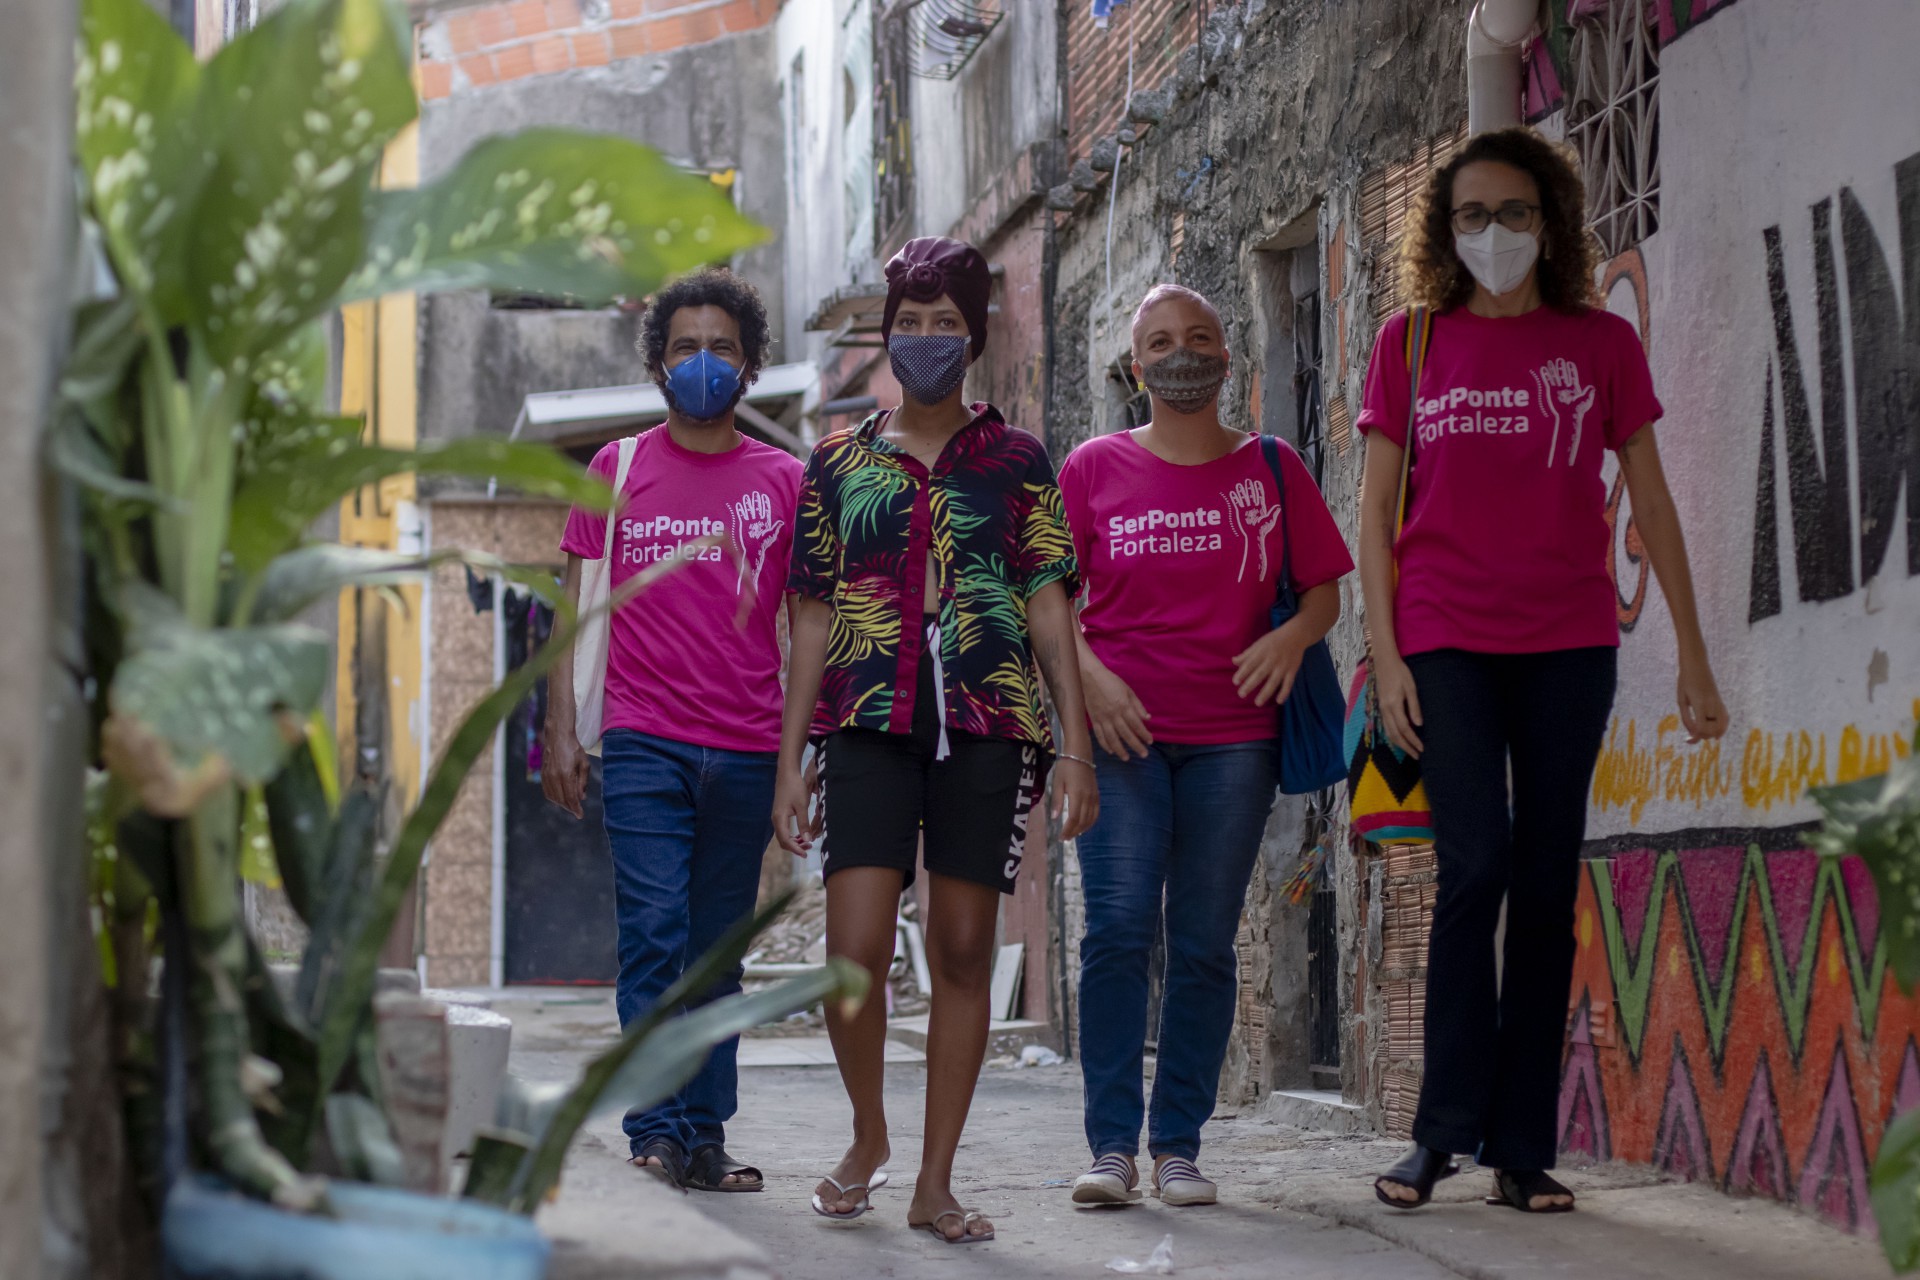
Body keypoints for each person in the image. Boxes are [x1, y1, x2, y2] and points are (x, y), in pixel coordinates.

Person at [1358, 128, 1728, 1214]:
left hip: (1569, 642)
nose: (1494, 232)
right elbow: (1375, 514)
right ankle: (1438, 1134)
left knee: (1546, 877)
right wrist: (1387, 656)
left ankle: (1521, 1148)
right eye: (1471, 215)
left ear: (1550, 222)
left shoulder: (1600, 342)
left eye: (1514, 212)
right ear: (1446, 231)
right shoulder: (1410, 343)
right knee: (1473, 867)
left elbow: (1650, 498)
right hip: (1446, 639)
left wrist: (1694, 655)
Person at [772, 236, 1100, 1244]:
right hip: (866, 719)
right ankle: (868, 1133)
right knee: (854, 952)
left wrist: (1076, 743)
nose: (925, 338)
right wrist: (789, 760)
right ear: (886, 334)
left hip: (988, 720)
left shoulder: (1018, 461)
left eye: (944, 323)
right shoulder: (838, 462)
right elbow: (811, 615)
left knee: (963, 950)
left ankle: (934, 1180)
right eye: (909, 323)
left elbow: (1049, 605)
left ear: (974, 334)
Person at [1057, 284, 1353, 1209]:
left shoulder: (1271, 466)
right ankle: (1112, 1148)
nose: (1180, 353)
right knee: (1116, 932)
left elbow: (1323, 592)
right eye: (1159, 342)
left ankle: (1177, 1147)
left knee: (1202, 943)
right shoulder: (1092, 467)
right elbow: (1046, 600)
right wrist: (1091, 679)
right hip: (1122, 738)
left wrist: (1291, 639)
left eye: (1198, 337)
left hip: (1235, 741)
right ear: (1134, 365)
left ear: (1228, 354)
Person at [542, 268, 802, 1194]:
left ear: (751, 365)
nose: (703, 362)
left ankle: (705, 1135)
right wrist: (559, 731)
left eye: (722, 348)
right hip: (643, 739)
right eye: (685, 347)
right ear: (658, 364)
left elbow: (808, 622)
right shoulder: (614, 471)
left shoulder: (787, 481)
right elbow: (573, 607)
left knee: (716, 952)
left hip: (747, 745)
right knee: (655, 935)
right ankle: (655, 1128)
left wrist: (797, 760)